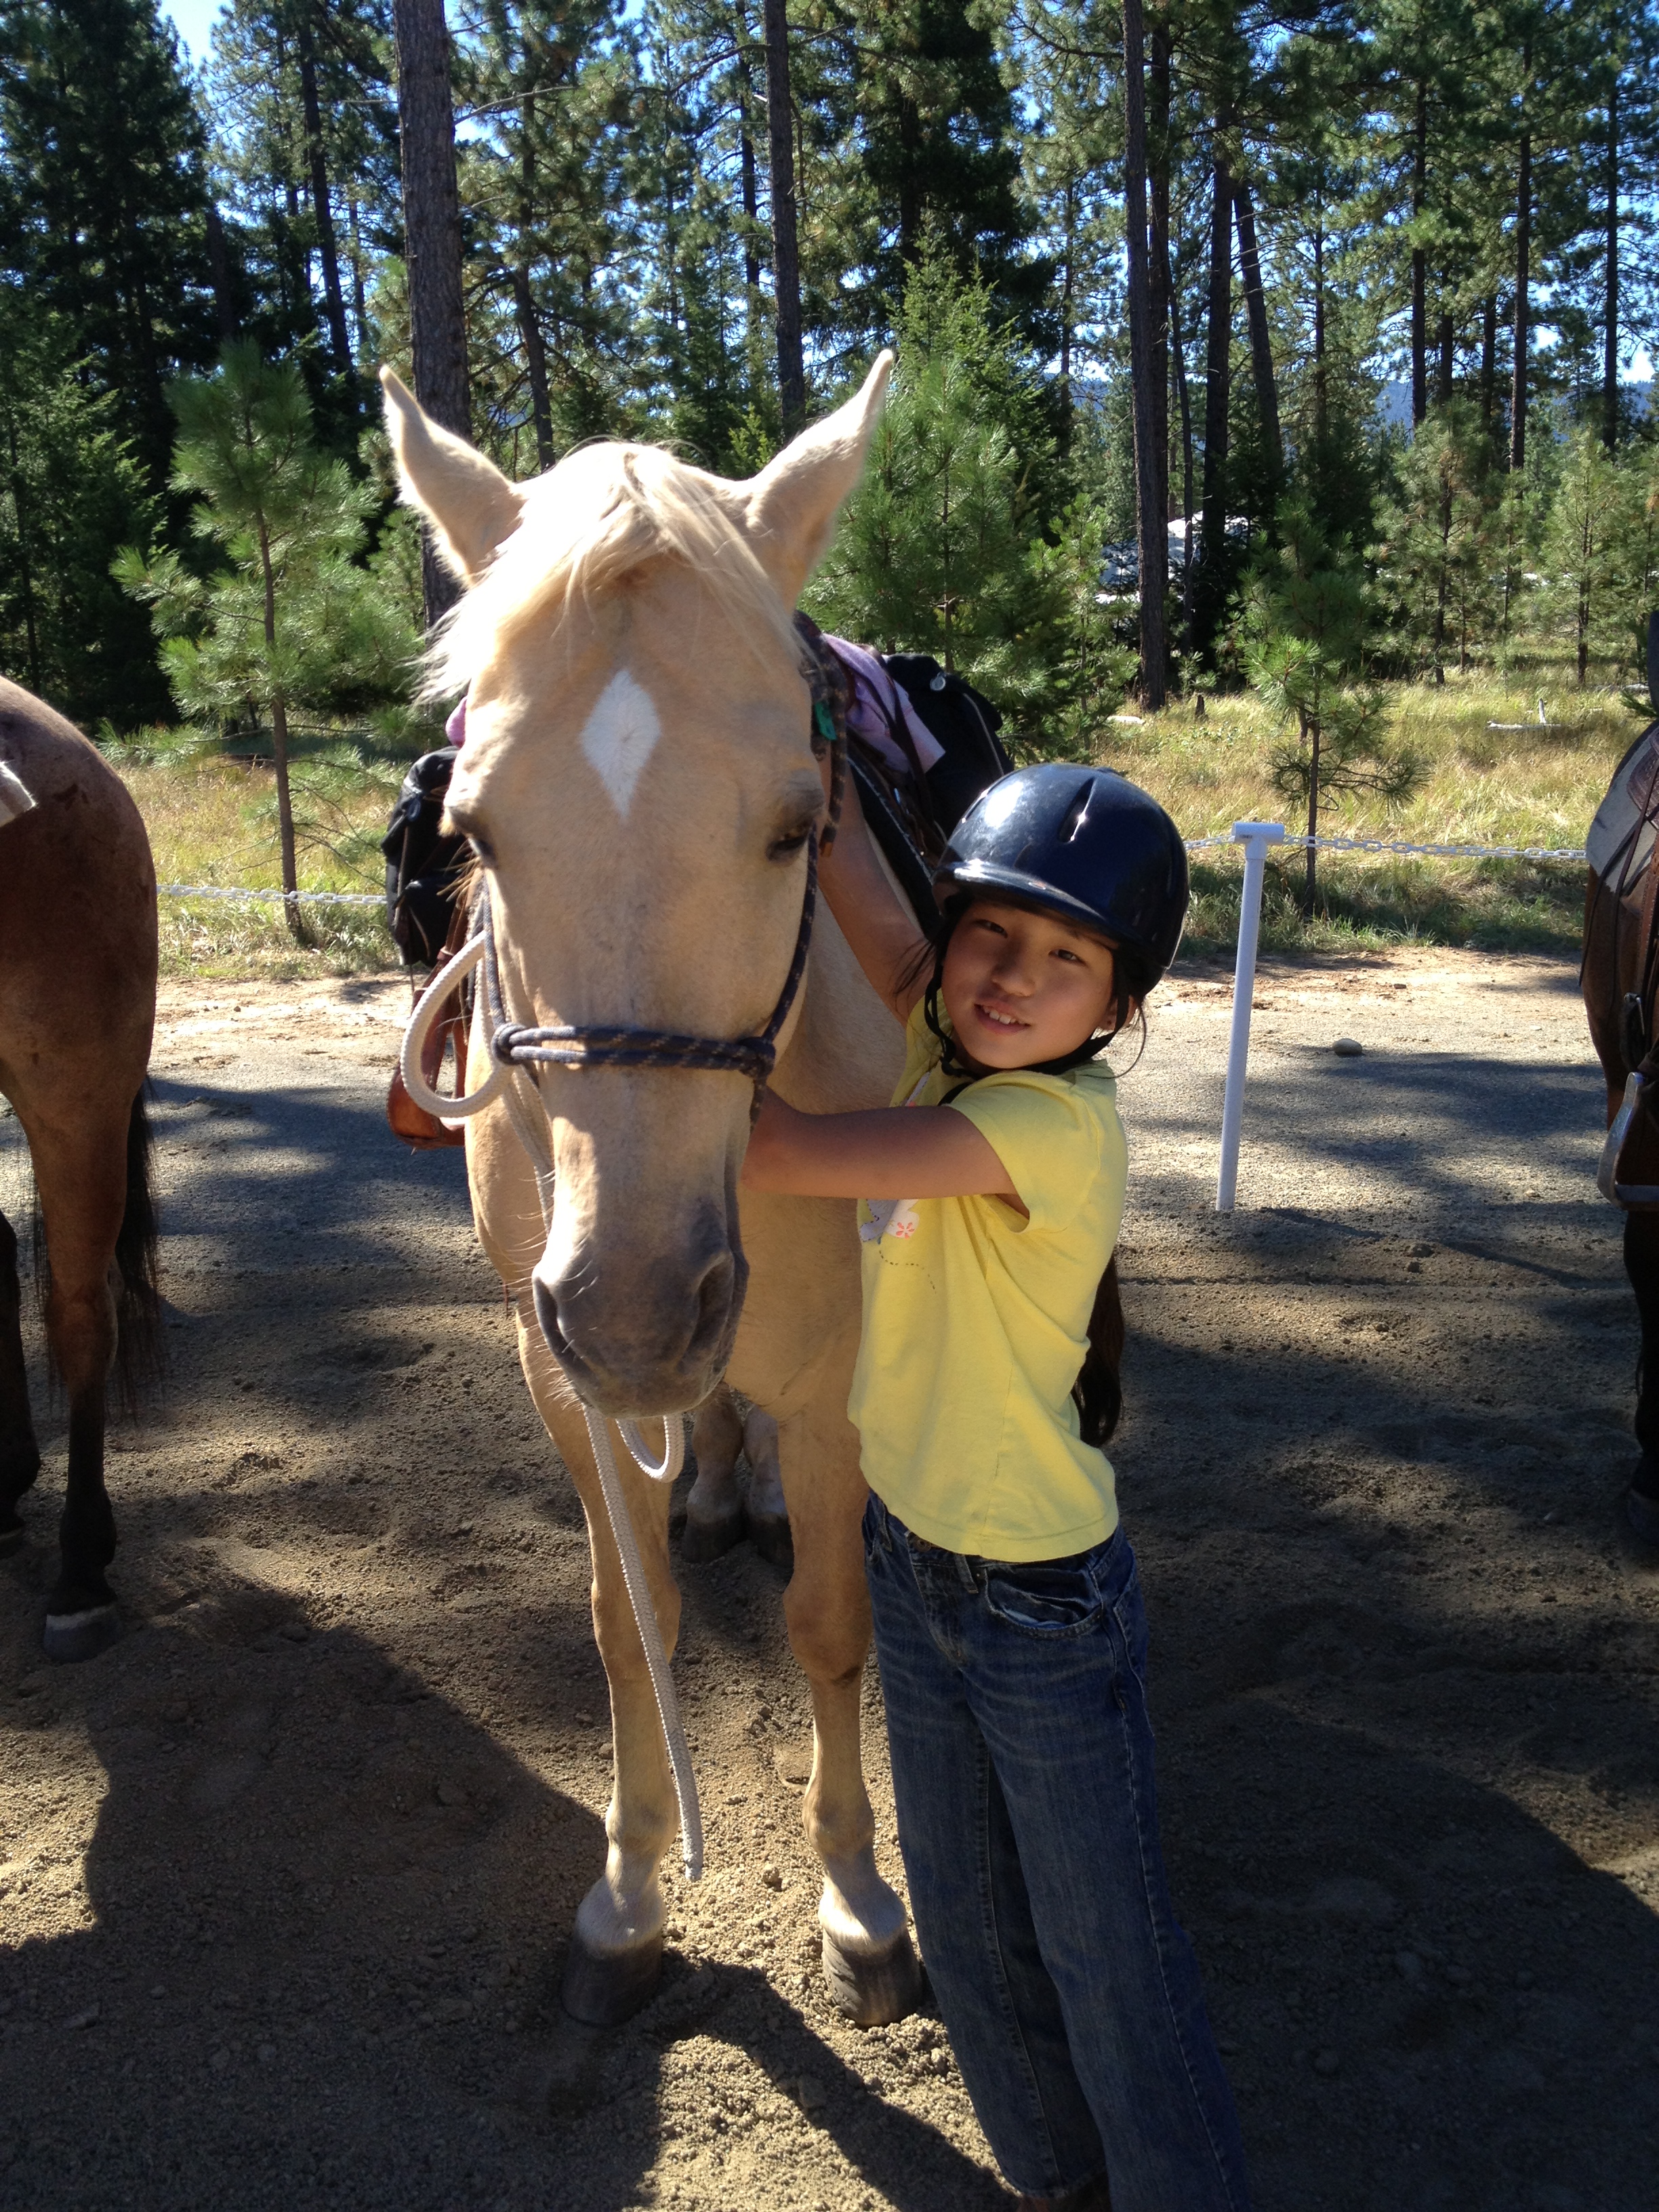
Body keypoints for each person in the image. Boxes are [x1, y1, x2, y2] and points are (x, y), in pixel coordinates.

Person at [743, 762, 1250, 2212]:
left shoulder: (1043, 1130)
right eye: (993, 936)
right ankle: (1051, 2180)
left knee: (1113, 1960)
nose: (1012, 980)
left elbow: (777, 1149)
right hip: (911, 1563)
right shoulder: (942, 1031)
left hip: (1042, 1610)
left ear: (1120, 1007)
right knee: (962, 1932)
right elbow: (884, 920)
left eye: (1066, 959)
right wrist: (808, 767)